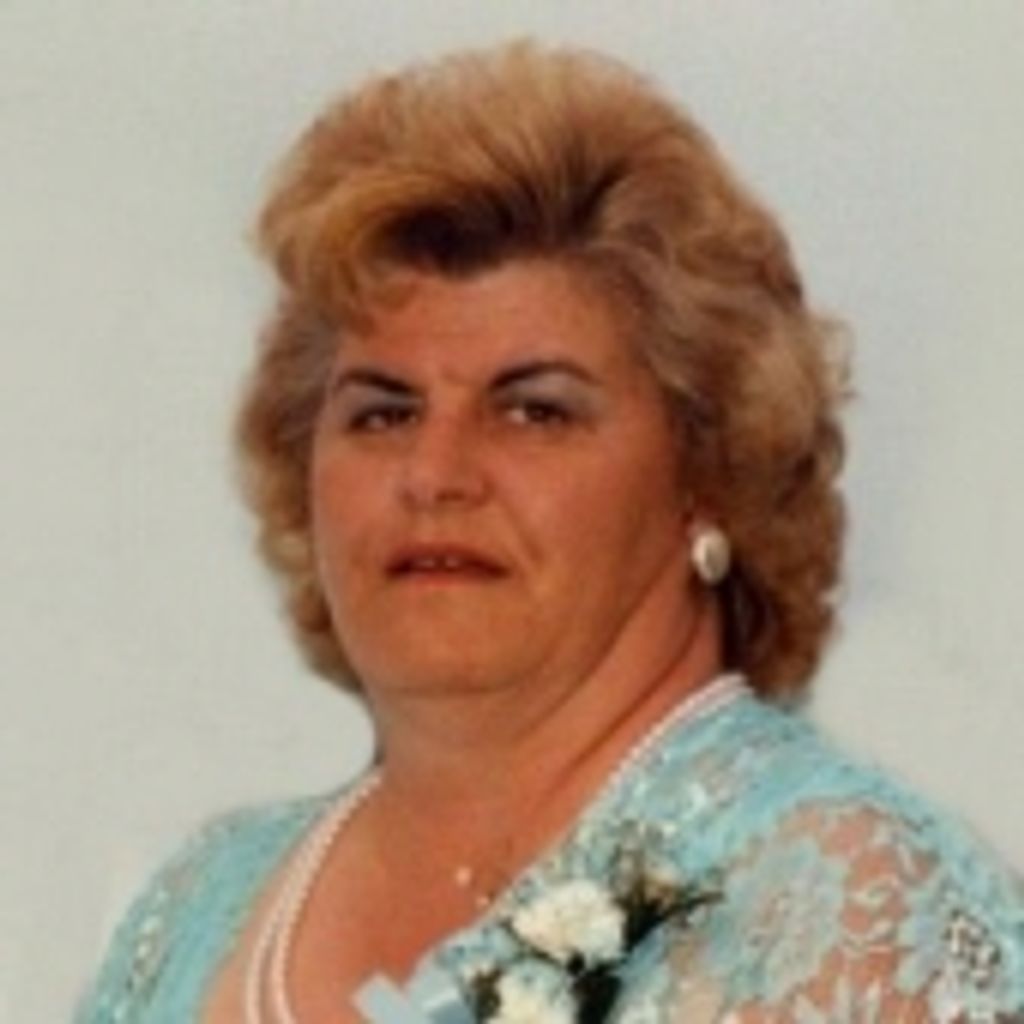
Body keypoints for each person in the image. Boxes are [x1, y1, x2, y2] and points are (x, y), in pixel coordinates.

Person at [77, 40, 1023, 1024]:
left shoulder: (840, 901)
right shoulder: (201, 904)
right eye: (383, 412)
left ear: (709, 474)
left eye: (534, 411)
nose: (435, 475)